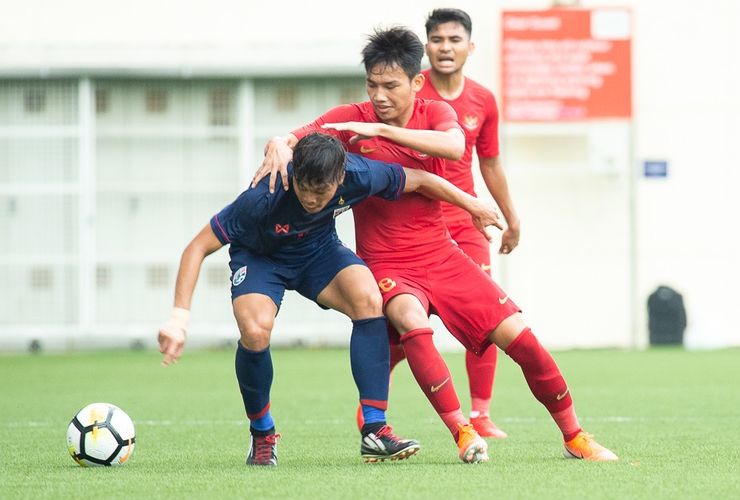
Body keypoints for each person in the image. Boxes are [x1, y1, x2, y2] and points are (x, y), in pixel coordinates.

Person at [256, 27, 618, 463]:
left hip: (443, 255)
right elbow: (294, 138)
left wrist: (381, 132)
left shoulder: (434, 113)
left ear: (416, 82)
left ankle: (574, 435)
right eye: (372, 84)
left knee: (522, 340)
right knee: (410, 320)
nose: (379, 95)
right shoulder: (348, 118)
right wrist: (278, 144)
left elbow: (453, 146)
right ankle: (462, 431)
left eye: (390, 85)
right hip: (387, 263)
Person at [158, 132, 503, 466]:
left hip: (317, 253)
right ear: (295, 177)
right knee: (255, 330)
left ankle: (374, 429)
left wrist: (472, 204)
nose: (311, 199)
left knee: (370, 298)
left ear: (340, 178)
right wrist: (179, 320)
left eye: (321, 192)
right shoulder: (264, 194)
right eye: (304, 189)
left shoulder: (359, 174)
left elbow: (421, 179)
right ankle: (262, 433)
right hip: (261, 260)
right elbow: (197, 247)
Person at [382, 7, 521, 440]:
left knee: (486, 313)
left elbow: (491, 163)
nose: (445, 48)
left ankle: (480, 414)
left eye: (454, 40)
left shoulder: (482, 100)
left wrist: (511, 218)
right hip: (414, 226)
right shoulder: (406, 89)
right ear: (427, 46)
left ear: (469, 47)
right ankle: (372, 407)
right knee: (403, 326)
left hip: (464, 224)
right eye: (438, 40)